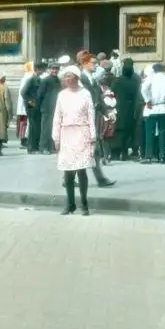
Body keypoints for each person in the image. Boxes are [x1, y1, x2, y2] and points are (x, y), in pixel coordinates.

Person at [53, 65, 96, 216]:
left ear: (76, 78)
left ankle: (84, 204)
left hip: (82, 133)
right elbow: (57, 117)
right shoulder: (62, 95)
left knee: (81, 170)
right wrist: (56, 137)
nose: (66, 79)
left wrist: (93, 136)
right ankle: (70, 204)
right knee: (68, 172)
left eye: (69, 76)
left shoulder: (85, 94)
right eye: (65, 77)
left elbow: (91, 114)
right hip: (66, 134)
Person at [78, 51, 116, 187]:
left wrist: (107, 112)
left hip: (93, 119)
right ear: (84, 64)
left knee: (93, 150)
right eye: (93, 63)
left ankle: (100, 179)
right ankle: (99, 179)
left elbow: (99, 99)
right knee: (88, 150)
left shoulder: (92, 79)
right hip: (83, 121)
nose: (96, 65)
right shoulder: (80, 79)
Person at [141, 62, 165, 164]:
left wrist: (147, 100)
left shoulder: (151, 79)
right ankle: (163, 156)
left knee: (149, 133)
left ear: (154, 70)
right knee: (163, 133)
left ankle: (149, 156)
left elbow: (144, 89)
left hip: (151, 108)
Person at [112, 59, 140, 161]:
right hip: (132, 108)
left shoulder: (117, 81)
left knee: (120, 131)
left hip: (120, 107)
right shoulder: (136, 81)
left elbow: (112, 92)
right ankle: (129, 151)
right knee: (130, 131)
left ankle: (118, 152)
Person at [37, 63, 61, 154]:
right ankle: (43, 148)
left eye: (56, 69)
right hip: (47, 108)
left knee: (52, 128)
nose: (55, 70)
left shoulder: (57, 80)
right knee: (46, 129)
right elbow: (39, 95)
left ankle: (50, 147)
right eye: (53, 69)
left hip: (55, 108)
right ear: (49, 69)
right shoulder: (45, 80)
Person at [23, 62, 45, 153]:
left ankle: (36, 146)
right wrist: (32, 104)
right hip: (31, 107)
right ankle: (31, 148)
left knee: (37, 127)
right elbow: (23, 93)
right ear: (36, 70)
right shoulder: (30, 80)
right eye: (41, 69)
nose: (43, 71)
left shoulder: (40, 80)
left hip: (37, 106)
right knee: (32, 127)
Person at [17, 61, 33, 148]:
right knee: (26, 123)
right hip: (27, 104)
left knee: (23, 122)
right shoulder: (29, 77)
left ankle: (23, 139)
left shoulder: (25, 77)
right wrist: (32, 103)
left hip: (23, 104)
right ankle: (24, 140)